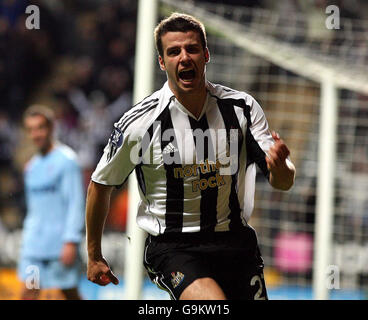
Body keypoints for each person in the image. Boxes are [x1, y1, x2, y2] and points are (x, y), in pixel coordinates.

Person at [86, 13, 295, 300]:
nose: (184, 57)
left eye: (192, 49)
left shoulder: (241, 109)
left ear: (206, 55)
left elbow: (282, 182)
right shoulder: (140, 123)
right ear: (162, 62)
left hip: (235, 243)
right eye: (173, 51)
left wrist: (281, 167)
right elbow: (101, 184)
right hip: (174, 247)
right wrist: (94, 255)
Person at [18, 105, 85, 300]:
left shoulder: (67, 161)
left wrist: (71, 240)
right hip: (34, 248)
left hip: (59, 245)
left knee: (68, 293)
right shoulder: (31, 166)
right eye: (30, 129)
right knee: (29, 293)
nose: (35, 134)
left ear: (51, 128)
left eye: (40, 127)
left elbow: (75, 203)